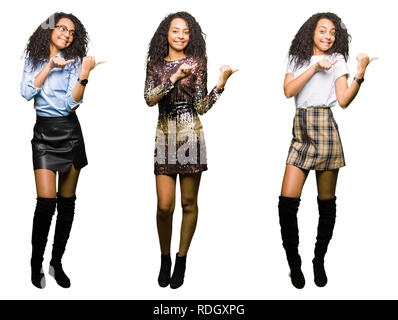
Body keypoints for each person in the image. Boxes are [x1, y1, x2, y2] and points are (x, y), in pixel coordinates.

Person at [278, 12, 376, 289]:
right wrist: (313, 68)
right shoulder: (296, 58)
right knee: (287, 205)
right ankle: (294, 264)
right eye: (323, 30)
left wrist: (360, 72)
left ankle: (318, 259)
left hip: (326, 128)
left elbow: (343, 100)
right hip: (301, 129)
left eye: (332, 32)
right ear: (311, 31)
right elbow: (287, 91)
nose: (328, 36)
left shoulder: (338, 59)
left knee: (326, 203)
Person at [144, 11, 237, 289]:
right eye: (176, 31)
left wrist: (221, 84)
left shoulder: (198, 63)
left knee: (188, 203)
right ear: (166, 33)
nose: (181, 36)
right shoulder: (155, 64)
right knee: (164, 206)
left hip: (191, 136)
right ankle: (164, 258)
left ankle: (181, 259)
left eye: (186, 32)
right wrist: (173, 77)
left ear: (191, 35)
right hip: (165, 135)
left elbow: (201, 107)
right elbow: (149, 99)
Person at [21, 12, 102, 288]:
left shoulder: (77, 62)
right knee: (45, 203)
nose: (67, 35)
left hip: (69, 134)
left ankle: (56, 262)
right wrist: (49, 66)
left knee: (66, 204)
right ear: (50, 30)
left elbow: (71, 104)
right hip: (43, 135)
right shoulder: (33, 60)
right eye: (62, 28)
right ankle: (36, 264)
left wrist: (84, 75)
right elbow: (25, 92)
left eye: (72, 32)